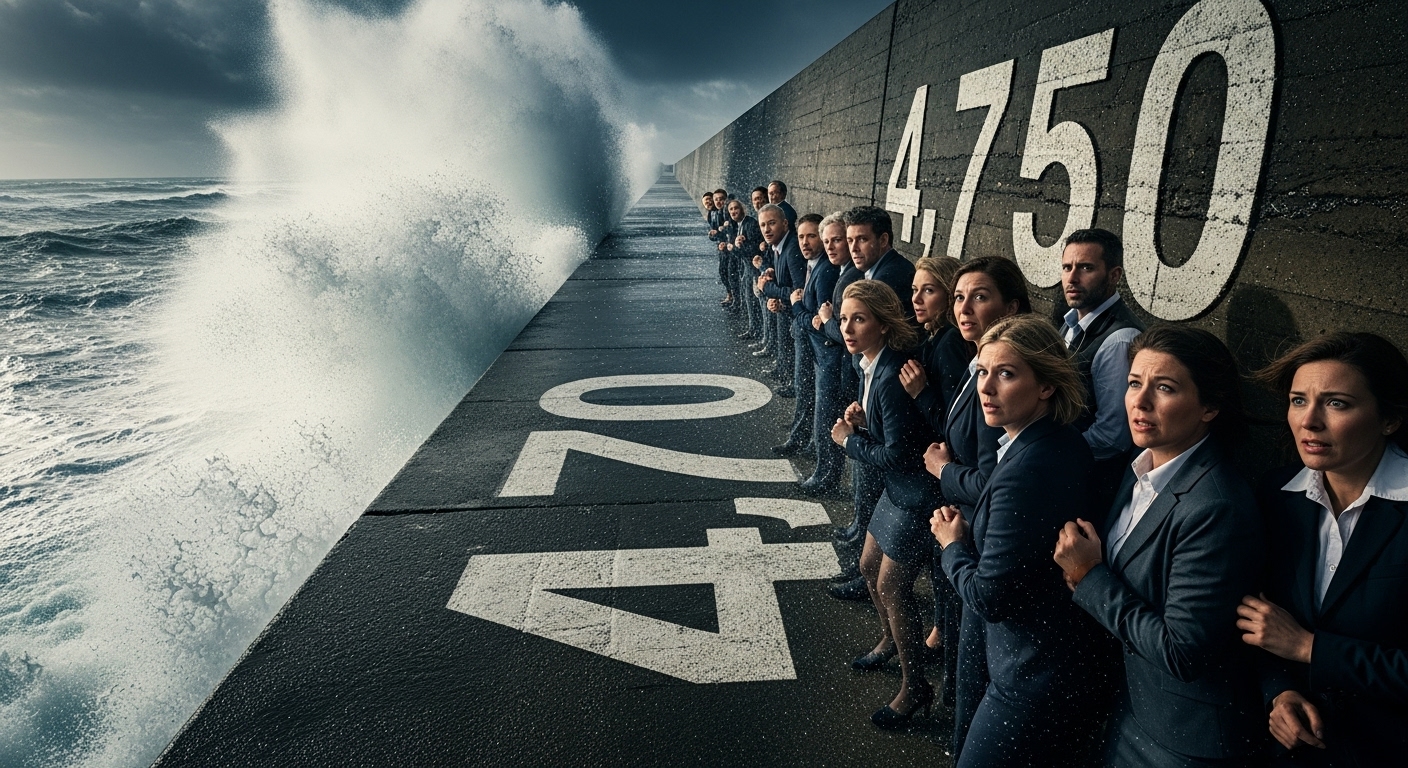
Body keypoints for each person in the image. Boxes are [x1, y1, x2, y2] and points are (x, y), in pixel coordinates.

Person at [1054, 325, 1268, 766]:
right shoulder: (1140, 469)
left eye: (1164, 388)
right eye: (1134, 383)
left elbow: (1182, 650)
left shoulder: (1216, 506)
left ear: (1209, 407)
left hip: (1181, 737)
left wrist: (1089, 577)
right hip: (1130, 706)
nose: (1140, 401)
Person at [931, 314, 1114, 766]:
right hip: (1053, 660)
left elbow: (991, 597)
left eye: (1007, 374)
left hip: (1030, 672)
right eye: (982, 372)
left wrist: (952, 546)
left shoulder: (1027, 470)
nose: (986, 388)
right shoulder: (1058, 440)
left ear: (1047, 385)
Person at [1237, 332, 1408, 767]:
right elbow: (1259, 621)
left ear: (1389, 418)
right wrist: (1280, 692)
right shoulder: (1277, 494)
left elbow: (1293, 639)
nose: (1309, 421)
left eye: (1337, 403)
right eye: (1298, 400)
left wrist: (1312, 648)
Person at [828, 279, 937, 729]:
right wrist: (863, 420)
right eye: (844, 319)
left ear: (882, 323)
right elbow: (891, 436)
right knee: (868, 565)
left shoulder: (891, 374)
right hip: (896, 489)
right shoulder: (868, 363)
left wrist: (850, 442)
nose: (848, 328)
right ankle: (893, 639)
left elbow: (900, 453)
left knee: (892, 585)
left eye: (859, 319)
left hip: (915, 494)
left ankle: (915, 687)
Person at [896, 255, 968, 707]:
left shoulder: (947, 347)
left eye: (929, 291)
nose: (917, 299)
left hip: (948, 474)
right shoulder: (938, 338)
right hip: (945, 473)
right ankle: (942, 636)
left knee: (948, 574)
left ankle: (951, 675)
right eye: (916, 290)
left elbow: (952, 426)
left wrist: (920, 395)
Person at [1059, 228, 1145, 516]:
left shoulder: (1118, 340)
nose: (1072, 278)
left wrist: (1048, 451)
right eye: (1067, 267)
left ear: (1114, 275)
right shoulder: (1072, 321)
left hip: (1087, 486)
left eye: (1086, 268)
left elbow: (1112, 437)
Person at [799, 213, 849, 497]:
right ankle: (824, 473)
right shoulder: (837, 270)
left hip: (833, 360)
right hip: (829, 359)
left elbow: (830, 327)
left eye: (836, 240)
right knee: (824, 418)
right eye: (827, 240)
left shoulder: (838, 273)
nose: (831, 247)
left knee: (828, 419)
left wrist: (825, 320)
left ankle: (827, 477)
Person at [778, 214, 827, 458]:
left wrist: (795, 306)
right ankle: (804, 441)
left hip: (817, 347)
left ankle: (804, 442)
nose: (804, 242)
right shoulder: (813, 264)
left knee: (810, 394)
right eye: (801, 237)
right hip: (808, 342)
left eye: (811, 236)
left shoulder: (825, 270)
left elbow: (819, 320)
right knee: (806, 392)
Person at [757, 204, 804, 395]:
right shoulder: (778, 246)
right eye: (763, 225)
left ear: (785, 224)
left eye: (772, 223)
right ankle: (790, 381)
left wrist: (768, 288)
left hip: (799, 315)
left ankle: (796, 387)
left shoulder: (792, 248)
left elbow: (799, 291)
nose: (766, 230)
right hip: (788, 311)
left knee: (797, 356)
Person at [844, 206, 914, 321]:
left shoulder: (887, 279)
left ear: (883, 240)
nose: (853, 248)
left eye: (862, 239)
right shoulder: (891, 265)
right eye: (850, 241)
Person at [722, 199, 764, 333]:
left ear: (743, 209)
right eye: (731, 210)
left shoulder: (750, 224)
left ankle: (756, 331)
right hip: (747, 268)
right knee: (749, 299)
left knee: (754, 301)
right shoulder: (740, 224)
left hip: (754, 268)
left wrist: (735, 248)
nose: (734, 212)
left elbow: (755, 249)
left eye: (736, 208)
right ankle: (753, 329)